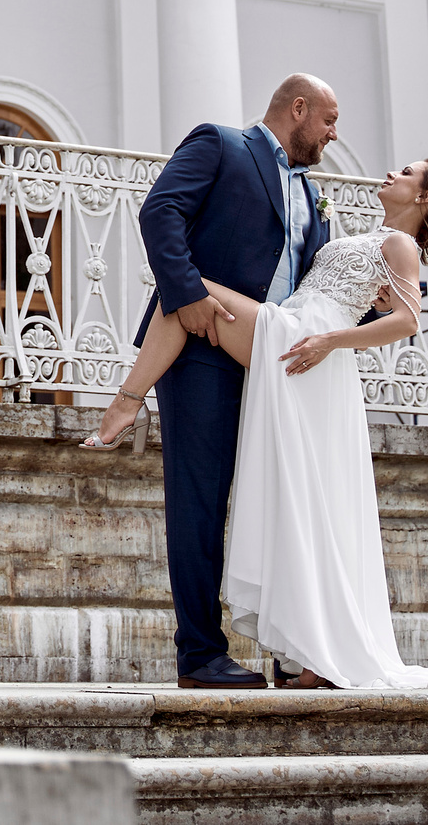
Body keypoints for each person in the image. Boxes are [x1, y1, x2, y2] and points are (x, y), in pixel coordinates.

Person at [90, 155, 428, 689]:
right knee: (304, 503)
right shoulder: (376, 240)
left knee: (186, 291)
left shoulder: (400, 245)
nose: (392, 175)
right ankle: (311, 655)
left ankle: (127, 403)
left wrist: (328, 341)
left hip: (306, 342)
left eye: (406, 174)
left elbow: (409, 321)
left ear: (425, 197)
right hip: (300, 333)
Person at [99, 76, 338, 690]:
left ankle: (292, 651)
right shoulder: (221, 144)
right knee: (199, 503)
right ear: (299, 108)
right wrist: (188, 297)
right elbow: (161, 213)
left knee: (280, 505)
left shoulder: (313, 196)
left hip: (275, 367)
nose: (333, 135)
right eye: (329, 120)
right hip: (203, 351)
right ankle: (201, 654)